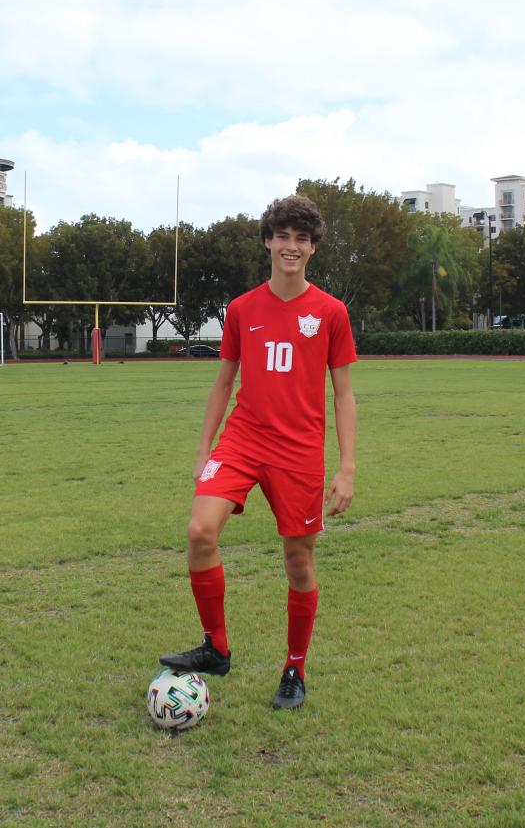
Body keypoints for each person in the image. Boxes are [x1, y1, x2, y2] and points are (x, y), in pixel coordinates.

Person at [159, 194, 357, 710]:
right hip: (244, 439)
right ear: (268, 241)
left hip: (299, 450)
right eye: (283, 236)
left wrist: (347, 466)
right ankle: (216, 647)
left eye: (301, 239)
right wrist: (205, 447)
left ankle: (295, 668)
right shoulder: (243, 309)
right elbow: (224, 382)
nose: (291, 247)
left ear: (312, 248)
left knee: (298, 560)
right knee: (200, 531)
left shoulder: (331, 312)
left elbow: (344, 393)